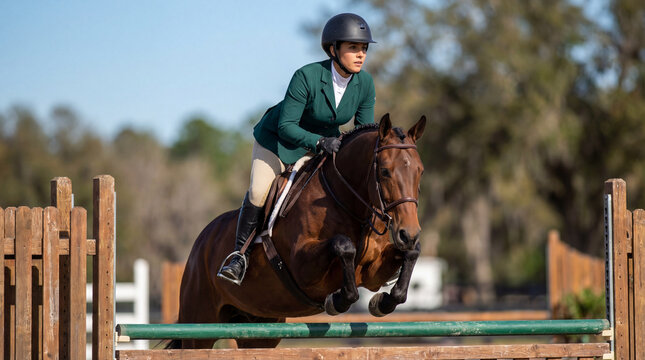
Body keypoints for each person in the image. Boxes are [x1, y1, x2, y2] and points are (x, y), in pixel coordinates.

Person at [217, 13, 377, 285]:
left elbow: (364, 133)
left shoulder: (365, 84)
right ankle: (238, 256)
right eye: (353, 48)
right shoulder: (307, 76)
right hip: (278, 142)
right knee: (259, 190)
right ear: (333, 49)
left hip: (323, 146)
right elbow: (286, 126)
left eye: (363, 48)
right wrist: (318, 142)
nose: (361, 54)